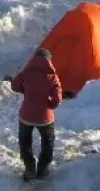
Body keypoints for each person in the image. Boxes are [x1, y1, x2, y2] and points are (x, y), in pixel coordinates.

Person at [9, 48, 63, 181]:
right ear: (49, 60)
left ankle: (29, 169)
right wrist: (50, 106)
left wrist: (26, 91)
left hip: (26, 115)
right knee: (47, 142)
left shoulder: (26, 71)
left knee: (25, 142)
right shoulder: (52, 76)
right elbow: (57, 99)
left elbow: (14, 86)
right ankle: (43, 169)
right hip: (45, 117)